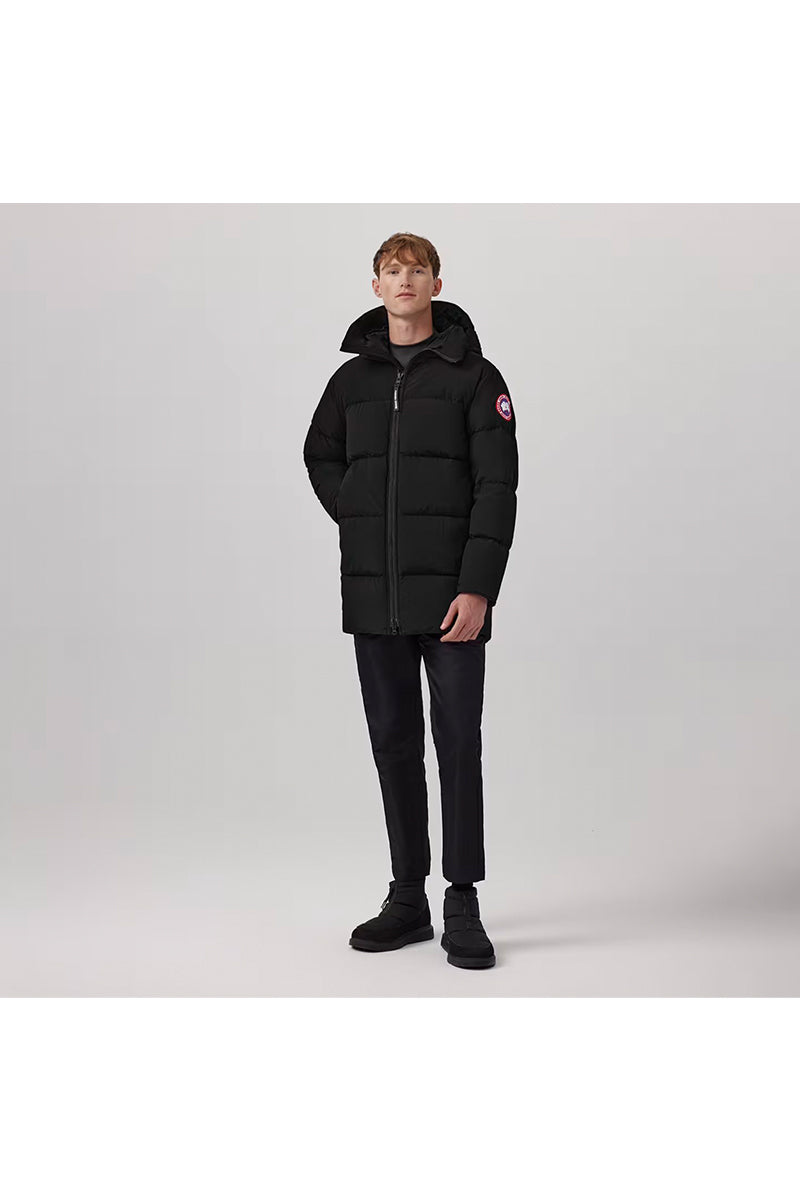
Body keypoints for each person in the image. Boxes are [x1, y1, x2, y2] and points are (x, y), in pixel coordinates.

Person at [302, 232, 519, 969]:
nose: (404, 281)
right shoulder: (351, 382)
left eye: (416, 270)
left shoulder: (475, 377)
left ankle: (462, 900)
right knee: (393, 744)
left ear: (436, 283)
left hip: (453, 601)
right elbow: (319, 453)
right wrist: (359, 515)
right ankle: (407, 898)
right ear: (376, 286)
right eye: (392, 271)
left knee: (457, 746)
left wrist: (478, 587)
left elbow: (497, 488)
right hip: (376, 598)